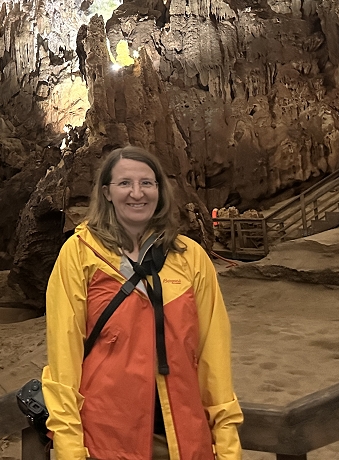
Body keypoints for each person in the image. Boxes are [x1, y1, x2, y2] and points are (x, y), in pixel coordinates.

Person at [42, 145, 242, 460]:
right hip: (105, 439)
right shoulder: (79, 254)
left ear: (160, 191)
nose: (137, 193)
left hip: (183, 437)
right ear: (106, 192)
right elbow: (64, 360)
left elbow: (213, 355)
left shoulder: (190, 258)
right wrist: (69, 447)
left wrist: (226, 442)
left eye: (147, 183)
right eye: (125, 183)